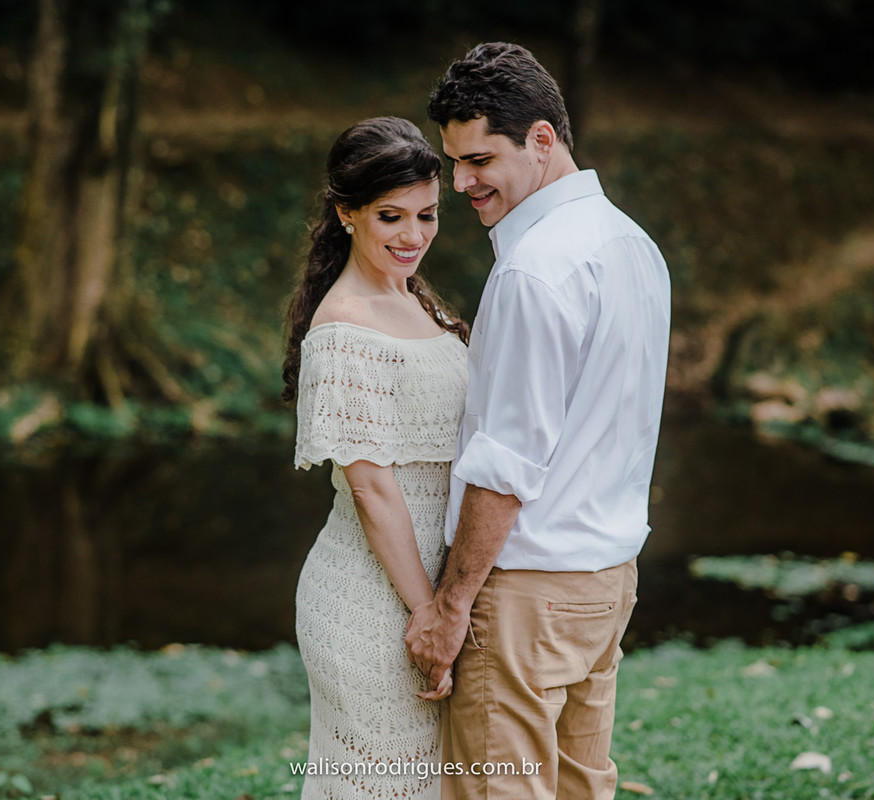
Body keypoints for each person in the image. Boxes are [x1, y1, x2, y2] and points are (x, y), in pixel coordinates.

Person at [404, 43, 672, 799]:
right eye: (455, 163)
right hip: (607, 583)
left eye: (480, 160)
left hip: (527, 595)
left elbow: (507, 463)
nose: (461, 183)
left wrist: (452, 606)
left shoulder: (533, 270)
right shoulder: (634, 246)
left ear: (543, 140)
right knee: (582, 789)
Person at [283, 116, 470, 799]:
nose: (413, 236)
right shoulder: (343, 327)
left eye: (427, 215)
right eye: (391, 216)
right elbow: (373, 490)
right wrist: (428, 617)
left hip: (426, 592)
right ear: (347, 213)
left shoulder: (417, 301)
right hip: (373, 599)